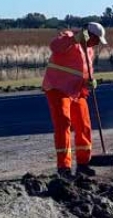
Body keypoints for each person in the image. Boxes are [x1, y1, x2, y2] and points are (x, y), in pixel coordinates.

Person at [42, 22, 108, 179]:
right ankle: (63, 167)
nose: (97, 43)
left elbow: (85, 72)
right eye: (96, 39)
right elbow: (54, 46)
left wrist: (90, 82)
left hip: (77, 91)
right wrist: (75, 39)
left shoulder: (89, 51)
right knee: (63, 123)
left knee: (84, 125)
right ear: (87, 34)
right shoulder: (68, 37)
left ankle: (83, 164)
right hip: (58, 88)